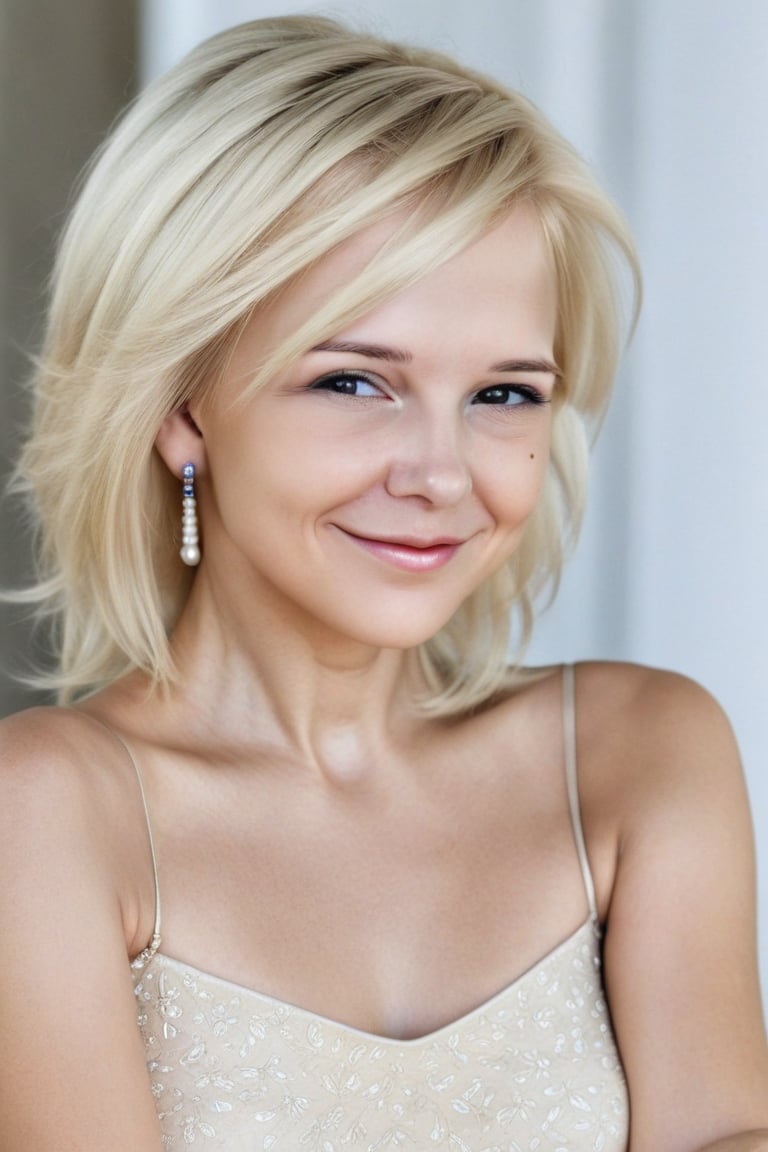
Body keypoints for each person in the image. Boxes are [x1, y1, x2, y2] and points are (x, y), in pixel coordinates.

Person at [1, 14, 766, 1152]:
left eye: (504, 395)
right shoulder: (47, 815)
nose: (443, 476)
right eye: (356, 381)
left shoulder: (641, 754)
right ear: (177, 404)